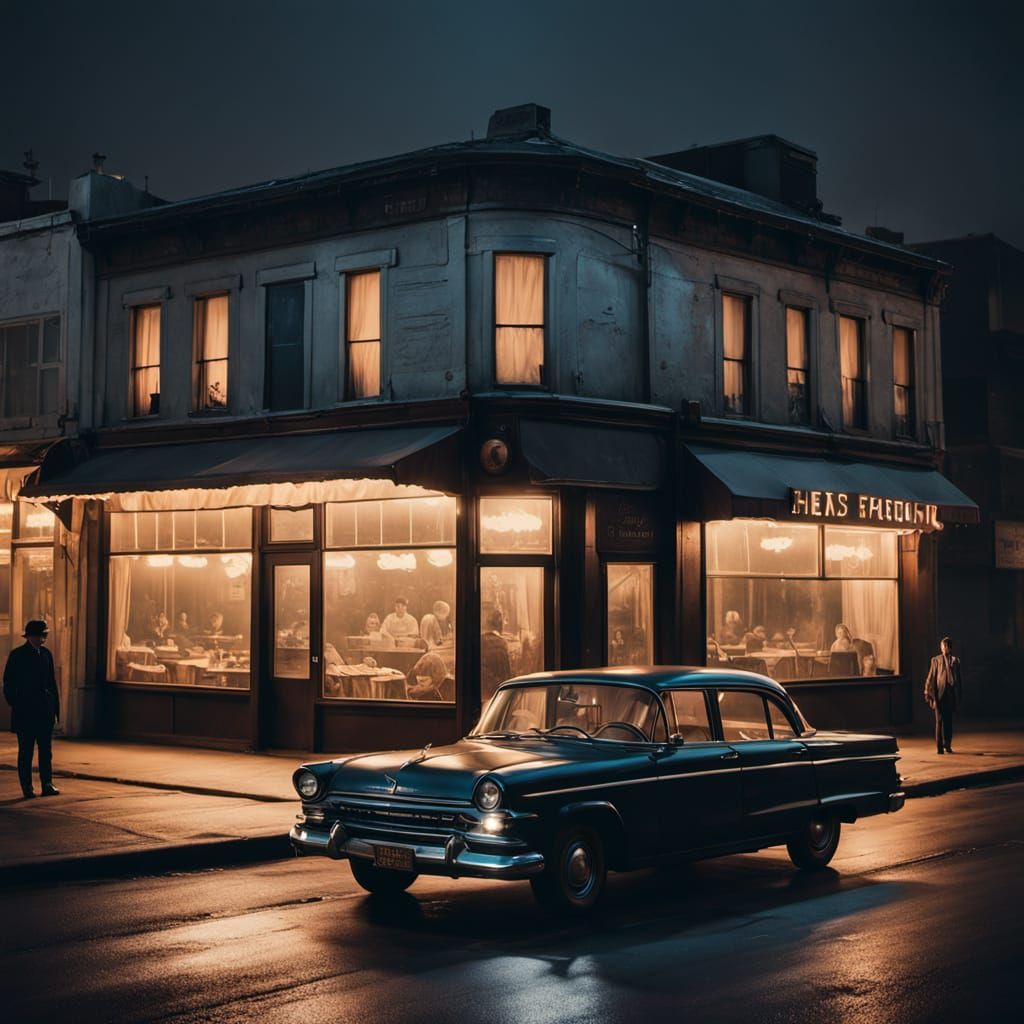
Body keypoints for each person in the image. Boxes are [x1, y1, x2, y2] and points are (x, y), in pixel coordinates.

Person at [3, 620, 61, 799]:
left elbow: (51, 683)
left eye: (44, 635)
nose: (42, 639)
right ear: (29, 637)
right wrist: (17, 704)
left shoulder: (46, 654)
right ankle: (27, 786)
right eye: (39, 635)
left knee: (45, 751)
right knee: (26, 751)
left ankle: (47, 783)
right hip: (26, 712)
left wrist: (55, 709)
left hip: (44, 711)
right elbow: (9, 683)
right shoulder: (18, 655)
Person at [924, 635, 962, 754]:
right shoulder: (936, 660)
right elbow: (931, 678)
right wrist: (929, 694)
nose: (944, 648)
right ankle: (939, 748)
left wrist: (959, 697)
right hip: (939, 695)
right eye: (942, 646)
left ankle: (948, 744)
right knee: (939, 721)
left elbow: (959, 680)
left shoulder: (955, 661)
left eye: (946, 646)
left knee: (948, 721)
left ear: (950, 648)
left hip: (950, 694)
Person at [480, 609, 512, 702]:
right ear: (500, 625)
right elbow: (507, 670)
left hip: (484, 689)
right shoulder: (502, 643)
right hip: (499, 690)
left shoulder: (480, 640)